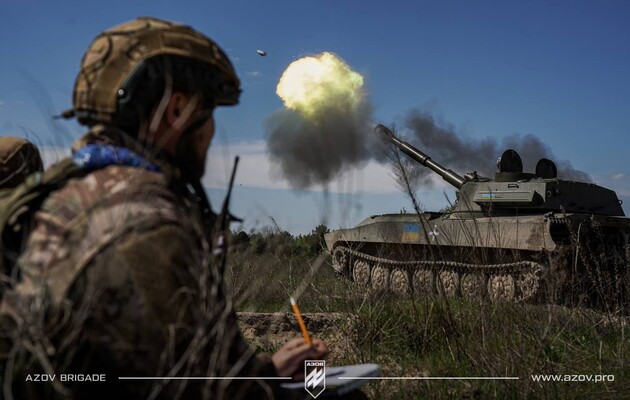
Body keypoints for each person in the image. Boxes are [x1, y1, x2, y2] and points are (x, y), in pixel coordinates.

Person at [1, 17, 327, 399]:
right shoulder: (146, 228)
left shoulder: (61, 195)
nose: (210, 133)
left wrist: (264, 371)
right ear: (177, 110)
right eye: (208, 112)